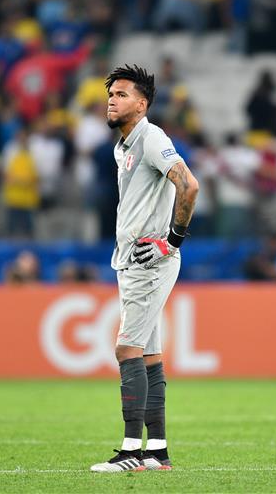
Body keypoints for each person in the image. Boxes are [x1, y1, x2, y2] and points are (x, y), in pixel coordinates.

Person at [90, 65, 199, 473]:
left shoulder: (152, 138)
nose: (112, 101)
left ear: (142, 103)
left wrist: (171, 241)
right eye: (110, 95)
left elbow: (189, 185)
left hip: (148, 261)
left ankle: (130, 451)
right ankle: (157, 452)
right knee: (150, 355)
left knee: (126, 349)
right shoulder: (126, 145)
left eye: (121, 94)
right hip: (133, 260)